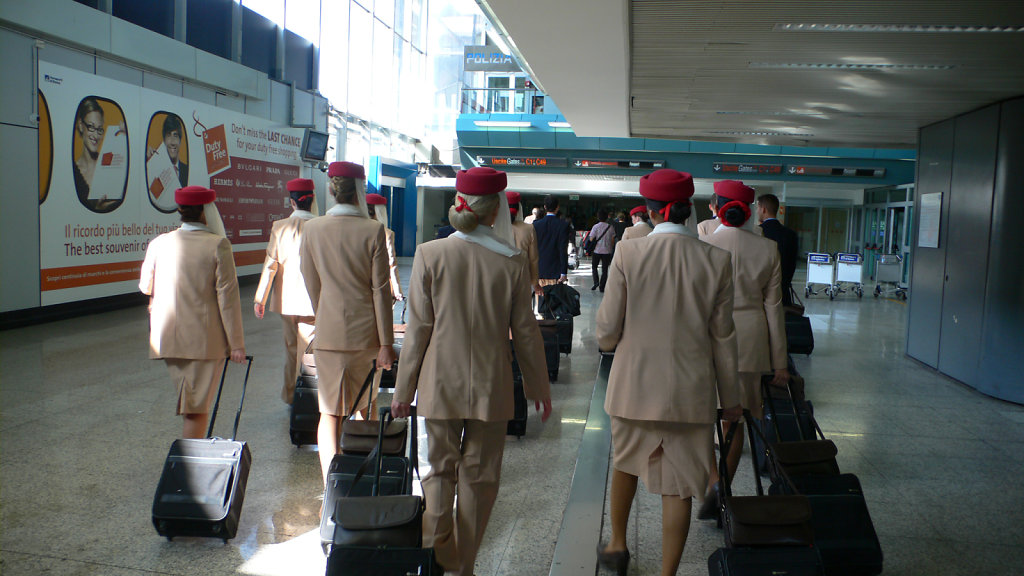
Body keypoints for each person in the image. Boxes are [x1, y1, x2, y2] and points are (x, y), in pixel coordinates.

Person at [392, 166, 552, 576]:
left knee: (437, 473)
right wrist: (538, 387)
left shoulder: (431, 254)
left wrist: (402, 390)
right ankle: (464, 566)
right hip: (491, 385)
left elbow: (418, 331)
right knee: (480, 479)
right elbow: (526, 333)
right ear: (497, 209)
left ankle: (438, 554)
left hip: (438, 383)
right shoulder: (512, 263)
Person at [595, 169, 741, 576]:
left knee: (625, 462)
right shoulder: (717, 260)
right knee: (678, 487)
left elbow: (607, 330)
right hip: (690, 393)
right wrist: (730, 401)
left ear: (654, 212)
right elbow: (723, 337)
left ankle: (617, 546)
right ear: (687, 210)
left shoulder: (629, 253)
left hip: (632, 388)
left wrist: (610, 342)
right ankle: (667, 574)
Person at [698, 180, 789, 519]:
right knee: (735, 419)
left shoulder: (703, 243)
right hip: (750, 343)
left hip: (706, 339)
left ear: (716, 205)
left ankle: (712, 481)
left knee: (704, 416)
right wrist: (779, 362)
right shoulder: (767, 249)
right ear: (751, 211)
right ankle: (725, 486)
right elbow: (774, 308)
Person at [300, 161, 395, 486]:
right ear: (359, 190)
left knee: (329, 412)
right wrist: (386, 343)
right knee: (365, 406)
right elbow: (380, 291)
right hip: (366, 335)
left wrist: (323, 310)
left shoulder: (312, 229)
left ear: (330, 189)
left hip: (328, 333)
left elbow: (310, 280)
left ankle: (332, 484)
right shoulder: (373, 231)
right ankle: (361, 476)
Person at [139, 185, 246, 439]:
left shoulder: (158, 243)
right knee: (197, 410)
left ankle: (190, 464)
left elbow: (145, 286)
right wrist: (237, 345)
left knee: (192, 404)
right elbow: (227, 299)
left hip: (168, 340)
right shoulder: (218, 245)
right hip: (204, 343)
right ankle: (188, 468)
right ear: (207, 211)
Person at [253, 177, 317, 405]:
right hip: (314, 301)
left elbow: (271, 264)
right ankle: (310, 395)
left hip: (287, 301)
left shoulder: (279, 227)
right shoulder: (322, 225)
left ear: (292, 202)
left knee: (291, 350)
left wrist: (260, 297)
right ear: (312, 200)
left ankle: (292, 396)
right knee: (310, 352)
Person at [73, 97, 119, 212]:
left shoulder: (110, 165)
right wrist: (98, 209)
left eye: (99, 129)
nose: (96, 135)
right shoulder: (73, 172)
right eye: (91, 127)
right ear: (80, 125)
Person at [758, 193, 799, 306]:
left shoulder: (757, 233)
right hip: (783, 292)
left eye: (758, 207)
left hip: (761, 294)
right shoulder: (791, 235)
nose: (757, 211)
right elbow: (792, 263)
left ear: (763, 209)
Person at [366, 192, 405, 302]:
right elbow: (391, 264)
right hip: (380, 285)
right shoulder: (386, 233)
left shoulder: (355, 231)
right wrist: (397, 290)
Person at [507, 190, 542, 295]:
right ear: (519, 208)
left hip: (498, 279)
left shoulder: (493, 228)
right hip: (521, 278)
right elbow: (533, 259)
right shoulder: (528, 229)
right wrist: (535, 283)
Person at [533, 195, 570, 286]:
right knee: (555, 298)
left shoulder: (536, 225)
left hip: (540, 269)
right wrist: (564, 272)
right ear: (557, 207)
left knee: (540, 297)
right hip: (556, 270)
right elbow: (563, 249)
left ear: (545, 207)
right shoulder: (563, 225)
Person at [147, 114, 189, 187]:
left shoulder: (188, 170)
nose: (172, 142)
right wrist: (148, 162)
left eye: (175, 136)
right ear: (164, 140)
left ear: (180, 140)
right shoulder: (156, 168)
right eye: (169, 135)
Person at [588, 209, 616, 292]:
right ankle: (602, 287)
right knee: (605, 270)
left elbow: (591, 238)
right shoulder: (610, 227)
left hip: (597, 250)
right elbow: (613, 239)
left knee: (594, 267)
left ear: (598, 217)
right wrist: (610, 247)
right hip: (607, 251)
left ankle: (596, 282)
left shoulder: (595, 226)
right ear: (607, 217)